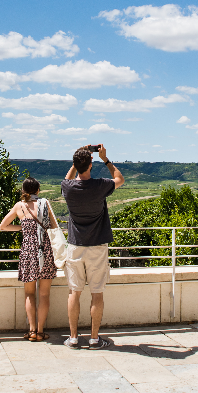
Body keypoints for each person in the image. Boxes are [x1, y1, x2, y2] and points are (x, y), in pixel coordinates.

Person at [60, 144, 124, 349]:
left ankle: (73, 338)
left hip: (75, 245)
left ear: (76, 165)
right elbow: (120, 179)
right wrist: (105, 159)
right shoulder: (99, 185)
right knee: (97, 293)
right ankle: (95, 339)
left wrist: (77, 159)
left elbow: (67, 179)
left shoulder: (68, 188)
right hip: (97, 245)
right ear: (90, 164)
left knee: (74, 292)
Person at [0, 177, 58, 342]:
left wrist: (23, 227)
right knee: (45, 294)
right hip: (45, 250)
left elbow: (3, 226)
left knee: (29, 293)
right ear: (38, 190)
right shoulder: (44, 204)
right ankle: (40, 332)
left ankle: (31, 331)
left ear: (23, 191)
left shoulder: (20, 206)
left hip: (28, 252)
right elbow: (53, 226)